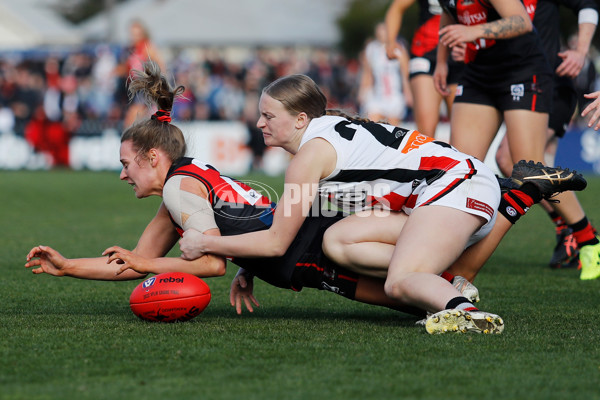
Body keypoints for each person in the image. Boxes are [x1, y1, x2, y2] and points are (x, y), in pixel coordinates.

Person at [178, 74, 585, 334]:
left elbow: (275, 243)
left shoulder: (309, 157)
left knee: (401, 281)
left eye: (268, 115)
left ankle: (464, 310)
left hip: (457, 189)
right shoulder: (322, 139)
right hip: (455, 188)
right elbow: (299, 218)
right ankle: (515, 198)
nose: (259, 123)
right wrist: (248, 266)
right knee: (339, 240)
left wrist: (206, 244)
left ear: (301, 119)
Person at [434, 0, 600, 281]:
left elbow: (521, 21)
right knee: (459, 173)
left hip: (523, 70)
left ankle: (588, 240)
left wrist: (474, 33)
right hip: (478, 74)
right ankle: (447, 261)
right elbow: (450, 17)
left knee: (529, 172)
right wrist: (441, 61)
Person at [493, 0, 598, 270]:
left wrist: (581, 51)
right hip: (515, 82)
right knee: (511, 162)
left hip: (551, 83)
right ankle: (572, 231)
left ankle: (583, 235)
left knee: (515, 160)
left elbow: (588, 4)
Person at [384, 0, 463, 137]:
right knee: (426, 134)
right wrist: (391, 41)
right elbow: (396, 8)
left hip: (459, 54)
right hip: (425, 53)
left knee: (460, 133)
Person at [359, 22, 412, 126]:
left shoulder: (399, 48)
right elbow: (367, 73)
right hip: (377, 95)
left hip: (394, 95)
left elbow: (405, 72)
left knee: (393, 128)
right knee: (372, 125)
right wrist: (363, 90)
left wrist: (408, 91)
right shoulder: (371, 48)